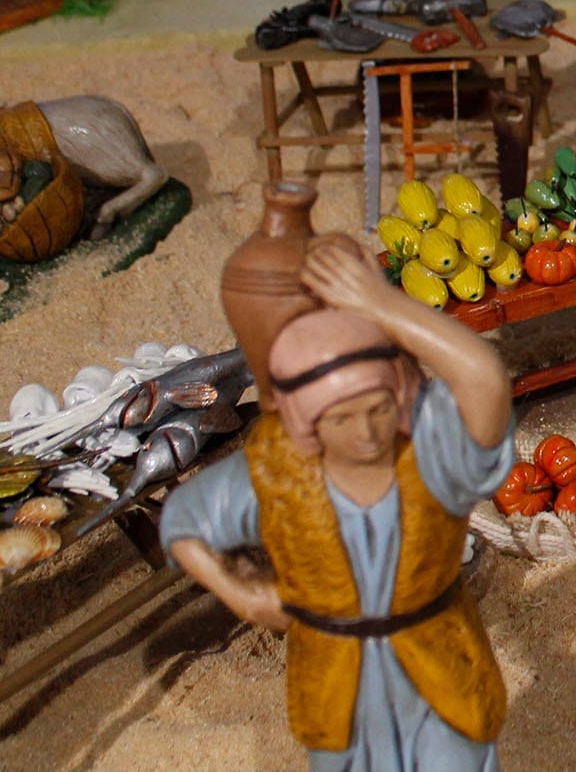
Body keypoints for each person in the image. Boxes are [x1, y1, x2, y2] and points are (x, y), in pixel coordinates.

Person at [163, 238, 513, 771]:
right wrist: (241, 594)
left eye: (378, 410)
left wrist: (384, 305)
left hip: (443, 677)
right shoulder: (278, 472)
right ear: (307, 423)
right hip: (336, 690)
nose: (367, 434)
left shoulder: (430, 451)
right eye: (342, 419)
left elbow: (484, 380)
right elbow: (184, 520)